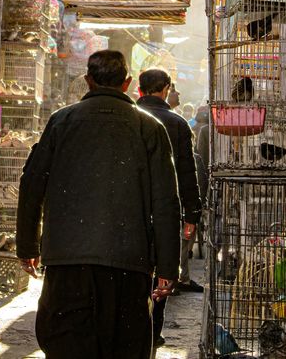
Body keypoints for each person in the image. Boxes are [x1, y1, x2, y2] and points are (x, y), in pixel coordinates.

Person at [16, 50, 181, 359]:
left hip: (67, 263)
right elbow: (166, 203)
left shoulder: (61, 122)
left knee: (66, 348)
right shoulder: (150, 129)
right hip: (128, 266)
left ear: (88, 81)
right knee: (123, 350)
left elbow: (32, 184)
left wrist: (27, 247)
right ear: (128, 83)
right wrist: (168, 268)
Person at [137, 69, 203, 348]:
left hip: (133, 208)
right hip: (166, 209)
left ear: (139, 90)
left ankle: (133, 328)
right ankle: (153, 331)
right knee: (163, 267)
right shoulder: (177, 123)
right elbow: (188, 173)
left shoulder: (128, 118)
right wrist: (192, 215)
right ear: (165, 89)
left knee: (136, 269)